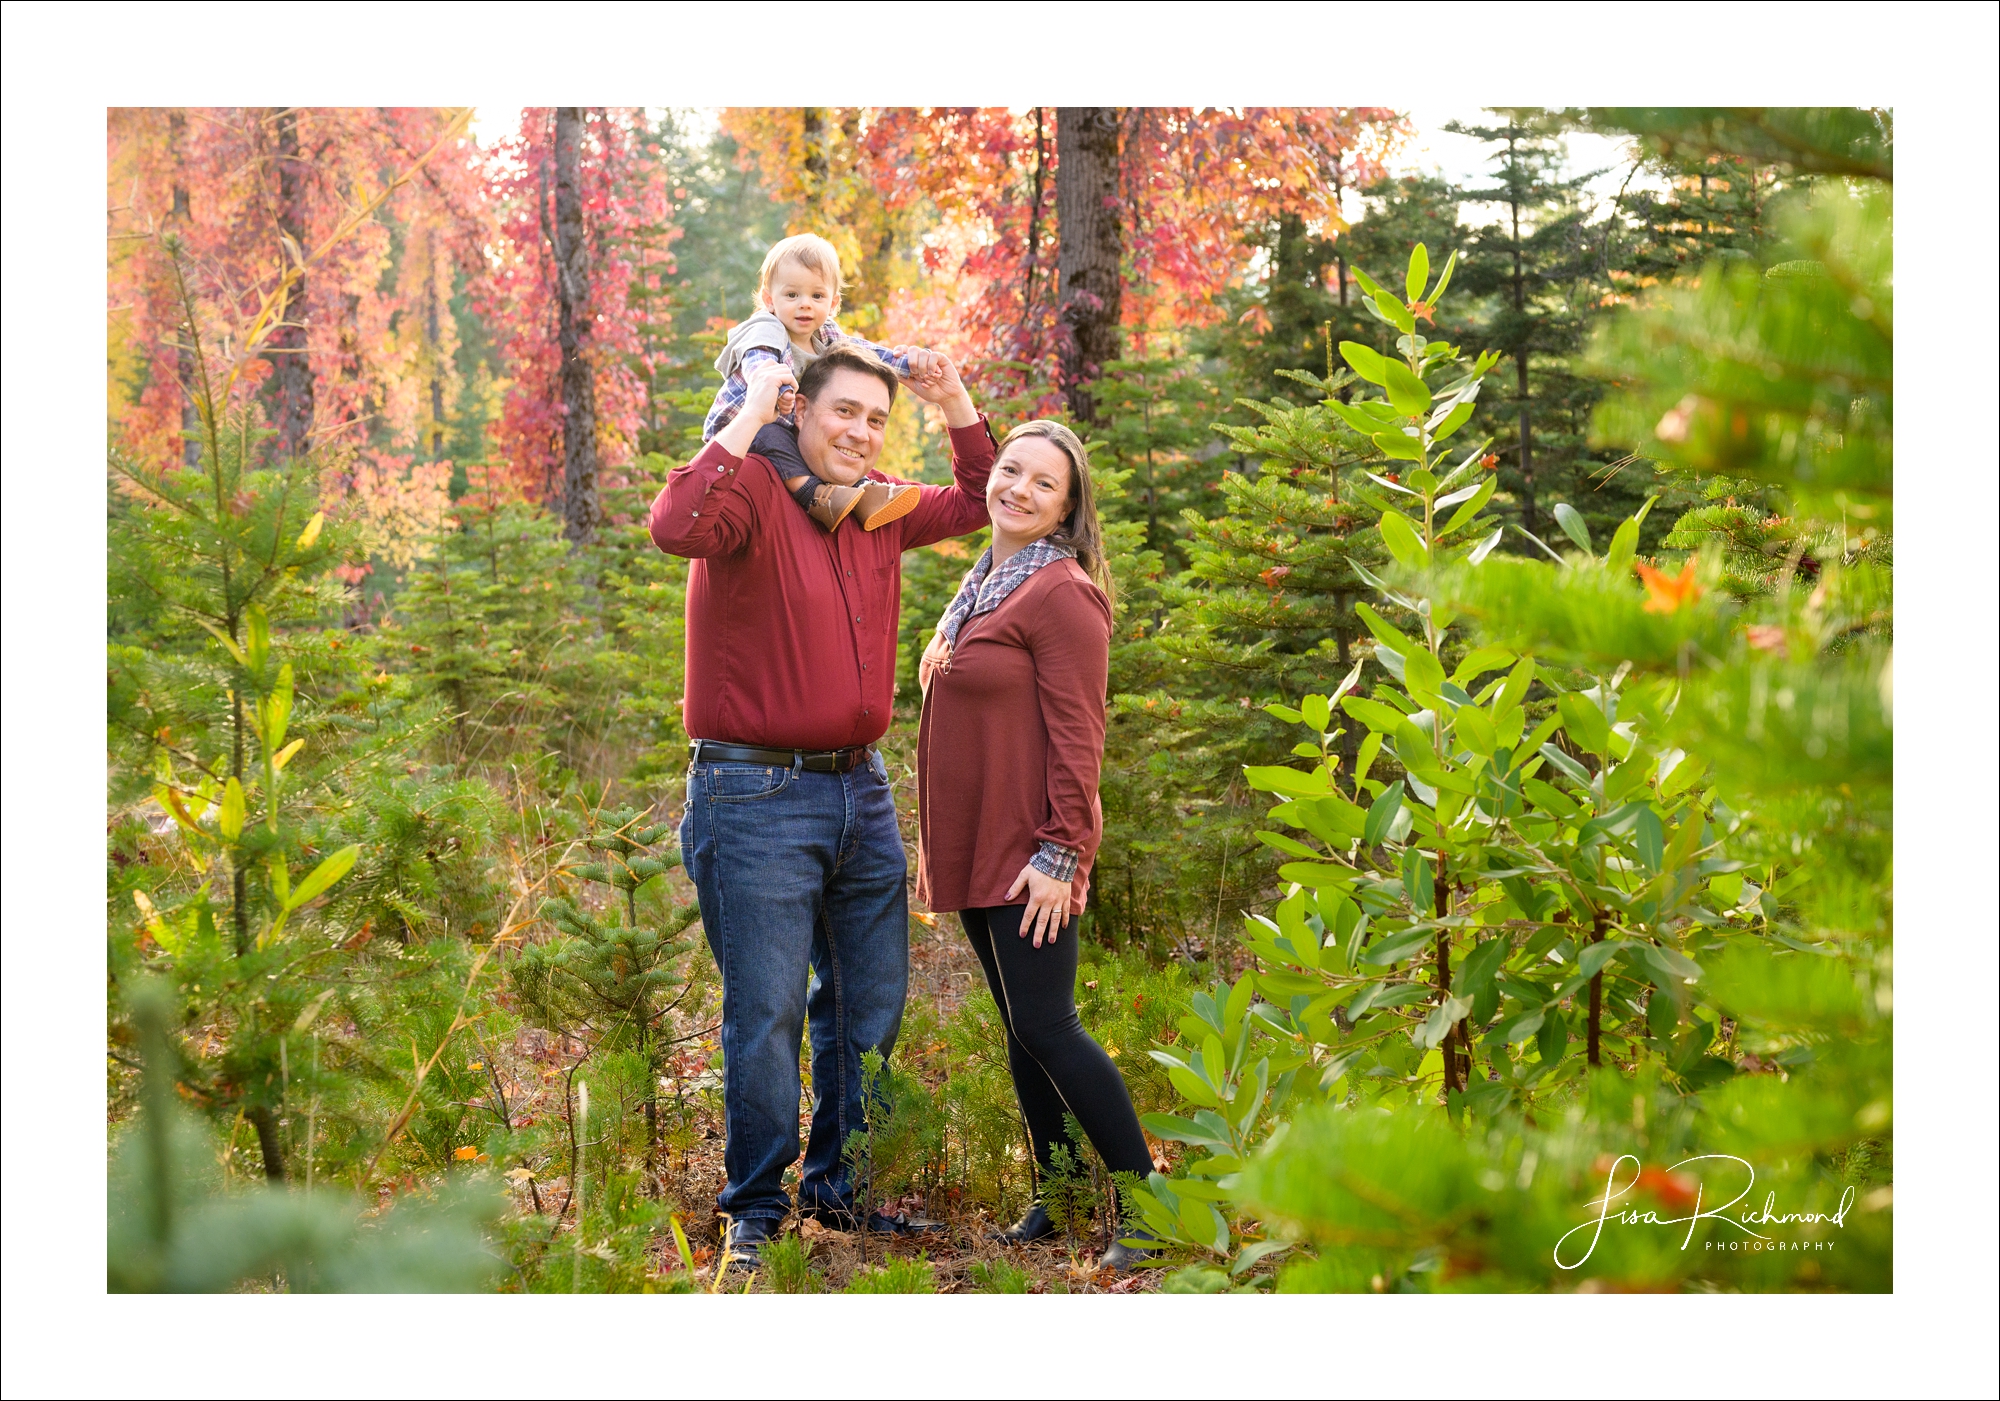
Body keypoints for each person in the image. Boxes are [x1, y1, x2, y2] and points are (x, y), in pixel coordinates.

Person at [649, 343, 994, 1267]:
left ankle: (841, 1195)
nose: (859, 432)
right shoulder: (754, 490)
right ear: (803, 410)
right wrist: (750, 402)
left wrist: (954, 397)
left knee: (871, 1003)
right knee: (765, 1011)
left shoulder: (876, 507)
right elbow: (675, 521)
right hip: (752, 791)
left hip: (861, 790)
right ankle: (754, 1210)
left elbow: (988, 497)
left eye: (876, 419)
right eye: (844, 411)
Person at [913, 419, 1158, 1273]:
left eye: (1041, 482)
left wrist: (1063, 853)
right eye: (1010, 469)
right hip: (980, 844)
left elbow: (1079, 737)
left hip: (1029, 851)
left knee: (1051, 1025)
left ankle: (1150, 1206)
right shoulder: (984, 584)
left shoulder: (1060, 592)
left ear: (1066, 507)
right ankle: (1057, 1200)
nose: (1016, 487)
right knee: (1023, 1030)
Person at [704, 232, 924, 533]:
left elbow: (863, 352)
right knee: (775, 439)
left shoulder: (824, 335)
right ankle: (813, 495)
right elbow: (761, 364)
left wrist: (909, 366)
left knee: (826, 440)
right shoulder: (765, 329)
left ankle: (863, 494)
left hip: (790, 419)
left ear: (833, 303)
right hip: (746, 424)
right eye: (792, 295)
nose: (805, 305)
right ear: (770, 300)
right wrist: (780, 391)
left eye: (816, 296)